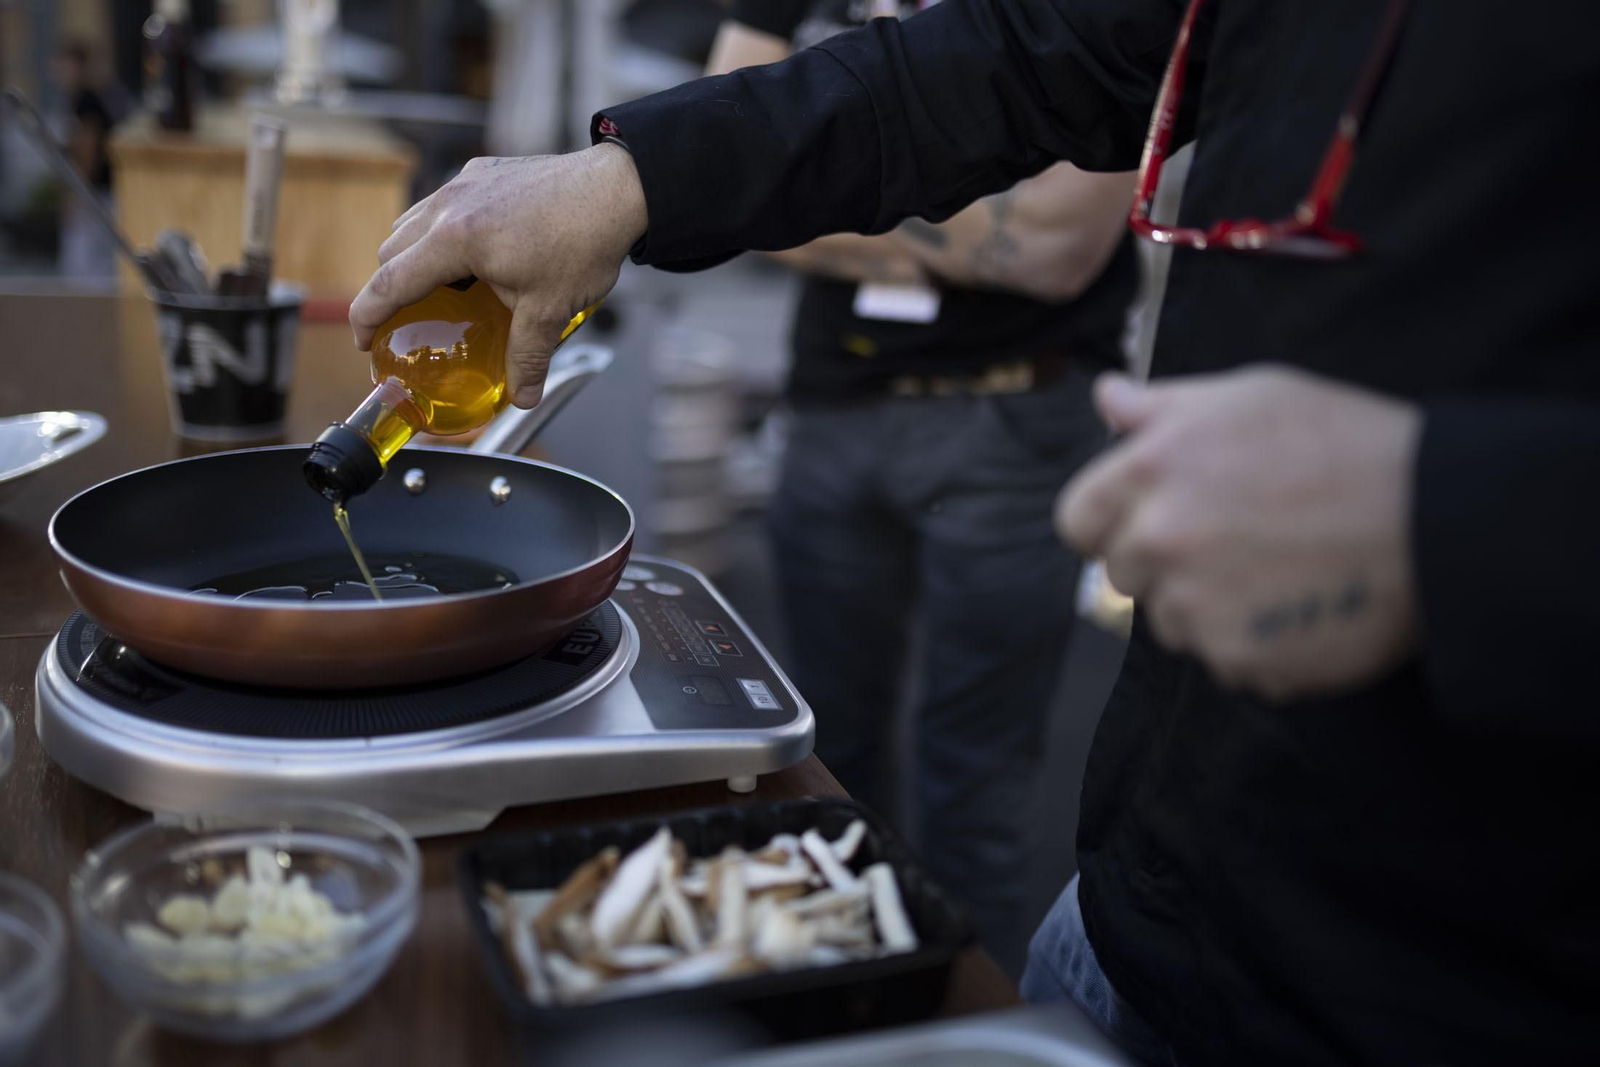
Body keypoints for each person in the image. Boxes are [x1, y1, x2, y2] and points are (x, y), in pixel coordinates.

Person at [351, 1, 1600, 1062]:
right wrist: (631, 176)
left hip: (1464, 981)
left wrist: (1448, 515)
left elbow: (1056, 249)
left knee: (964, 793)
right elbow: (1023, 56)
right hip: (1134, 912)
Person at [703, 1, 1137, 974]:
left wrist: (821, 193)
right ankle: (835, 1005)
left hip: (1013, 423)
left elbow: (1060, 250)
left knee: (972, 787)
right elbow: (736, 187)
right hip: (833, 410)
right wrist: (978, 228)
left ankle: (952, 1021)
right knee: (818, 762)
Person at [51, 38, 123, 278]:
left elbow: (89, 148)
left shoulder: (86, 100)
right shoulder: (84, 99)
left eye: (66, 65)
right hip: (97, 191)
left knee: (85, 267)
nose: (61, 71)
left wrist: (77, 194)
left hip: (95, 192)